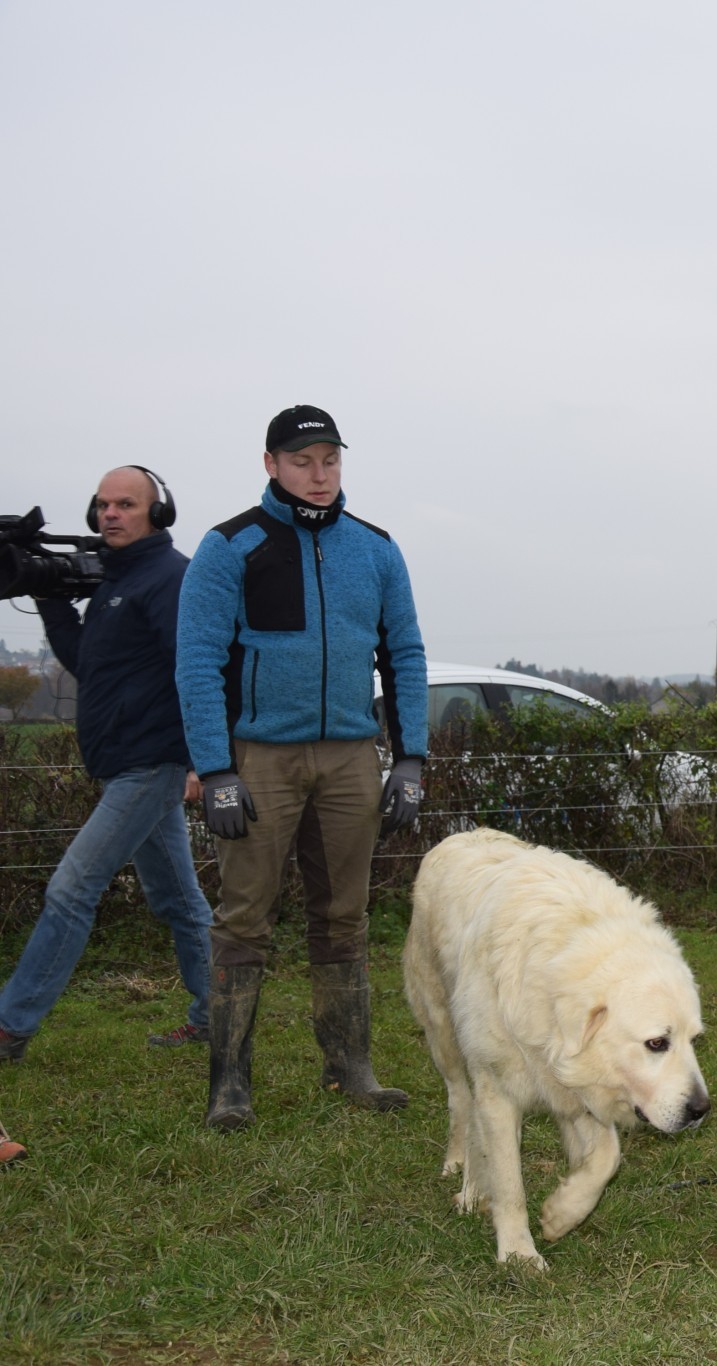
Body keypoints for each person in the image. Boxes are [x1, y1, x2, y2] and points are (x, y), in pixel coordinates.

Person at [175, 404, 429, 1131]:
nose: (319, 476)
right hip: (260, 759)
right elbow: (196, 662)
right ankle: (230, 1083)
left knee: (345, 915)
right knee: (246, 918)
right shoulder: (231, 547)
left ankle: (350, 1066)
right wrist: (215, 767)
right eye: (302, 462)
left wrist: (409, 758)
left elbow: (404, 653)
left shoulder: (377, 550)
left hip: (351, 756)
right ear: (271, 466)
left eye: (330, 460)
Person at [0, 467, 213, 1062]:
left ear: (157, 513)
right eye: (103, 505)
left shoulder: (168, 578)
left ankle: (10, 1025)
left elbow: (195, 669)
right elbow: (86, 661)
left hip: (152, 762)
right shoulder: (118, 580)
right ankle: (216, 1013)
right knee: (178, 899)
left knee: (72, 888)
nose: (110, 514)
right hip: (124, 762)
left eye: (125, 504)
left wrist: (202, 760)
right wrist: (49, 597)